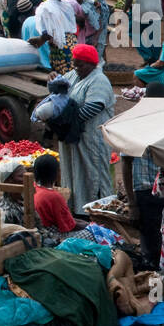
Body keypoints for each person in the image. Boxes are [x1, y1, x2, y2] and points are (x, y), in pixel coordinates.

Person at [57, 43, 115, 212]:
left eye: (80, 65)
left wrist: (67, 121)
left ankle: (96, 212)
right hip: (75, 138)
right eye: (74, 64)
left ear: (92, 64)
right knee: (74, 174)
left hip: (92, 139)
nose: (76, 68)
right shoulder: (75, 75)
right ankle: (76, 209)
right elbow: (59, 86)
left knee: (92, 175)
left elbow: (93, 107)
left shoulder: (99, 80)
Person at [122, 82, 164, 262]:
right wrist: (132, 204)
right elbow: (126, 163)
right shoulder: (134, 124)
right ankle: (154, 284)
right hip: (146, 193)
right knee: (151, 247)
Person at [30, 0, 78, 74]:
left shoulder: (43, 8)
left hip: (59, 47)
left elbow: (46, 34)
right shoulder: (67, 5)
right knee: (74, 73)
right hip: (73, 43)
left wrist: (40, 40)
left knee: (63, 76)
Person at [32, 154, 78, 246]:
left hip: (39, 232)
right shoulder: (54, 197)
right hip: (52, 237)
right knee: (92, 233)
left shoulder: (33, 188)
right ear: (56, 173)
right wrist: (89, 225)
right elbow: (68, 226)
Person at [0, 160, 27, 227]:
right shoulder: (4, 211)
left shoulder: (24, 201)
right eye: (21, 176)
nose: (27, 178)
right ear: (8, 180)